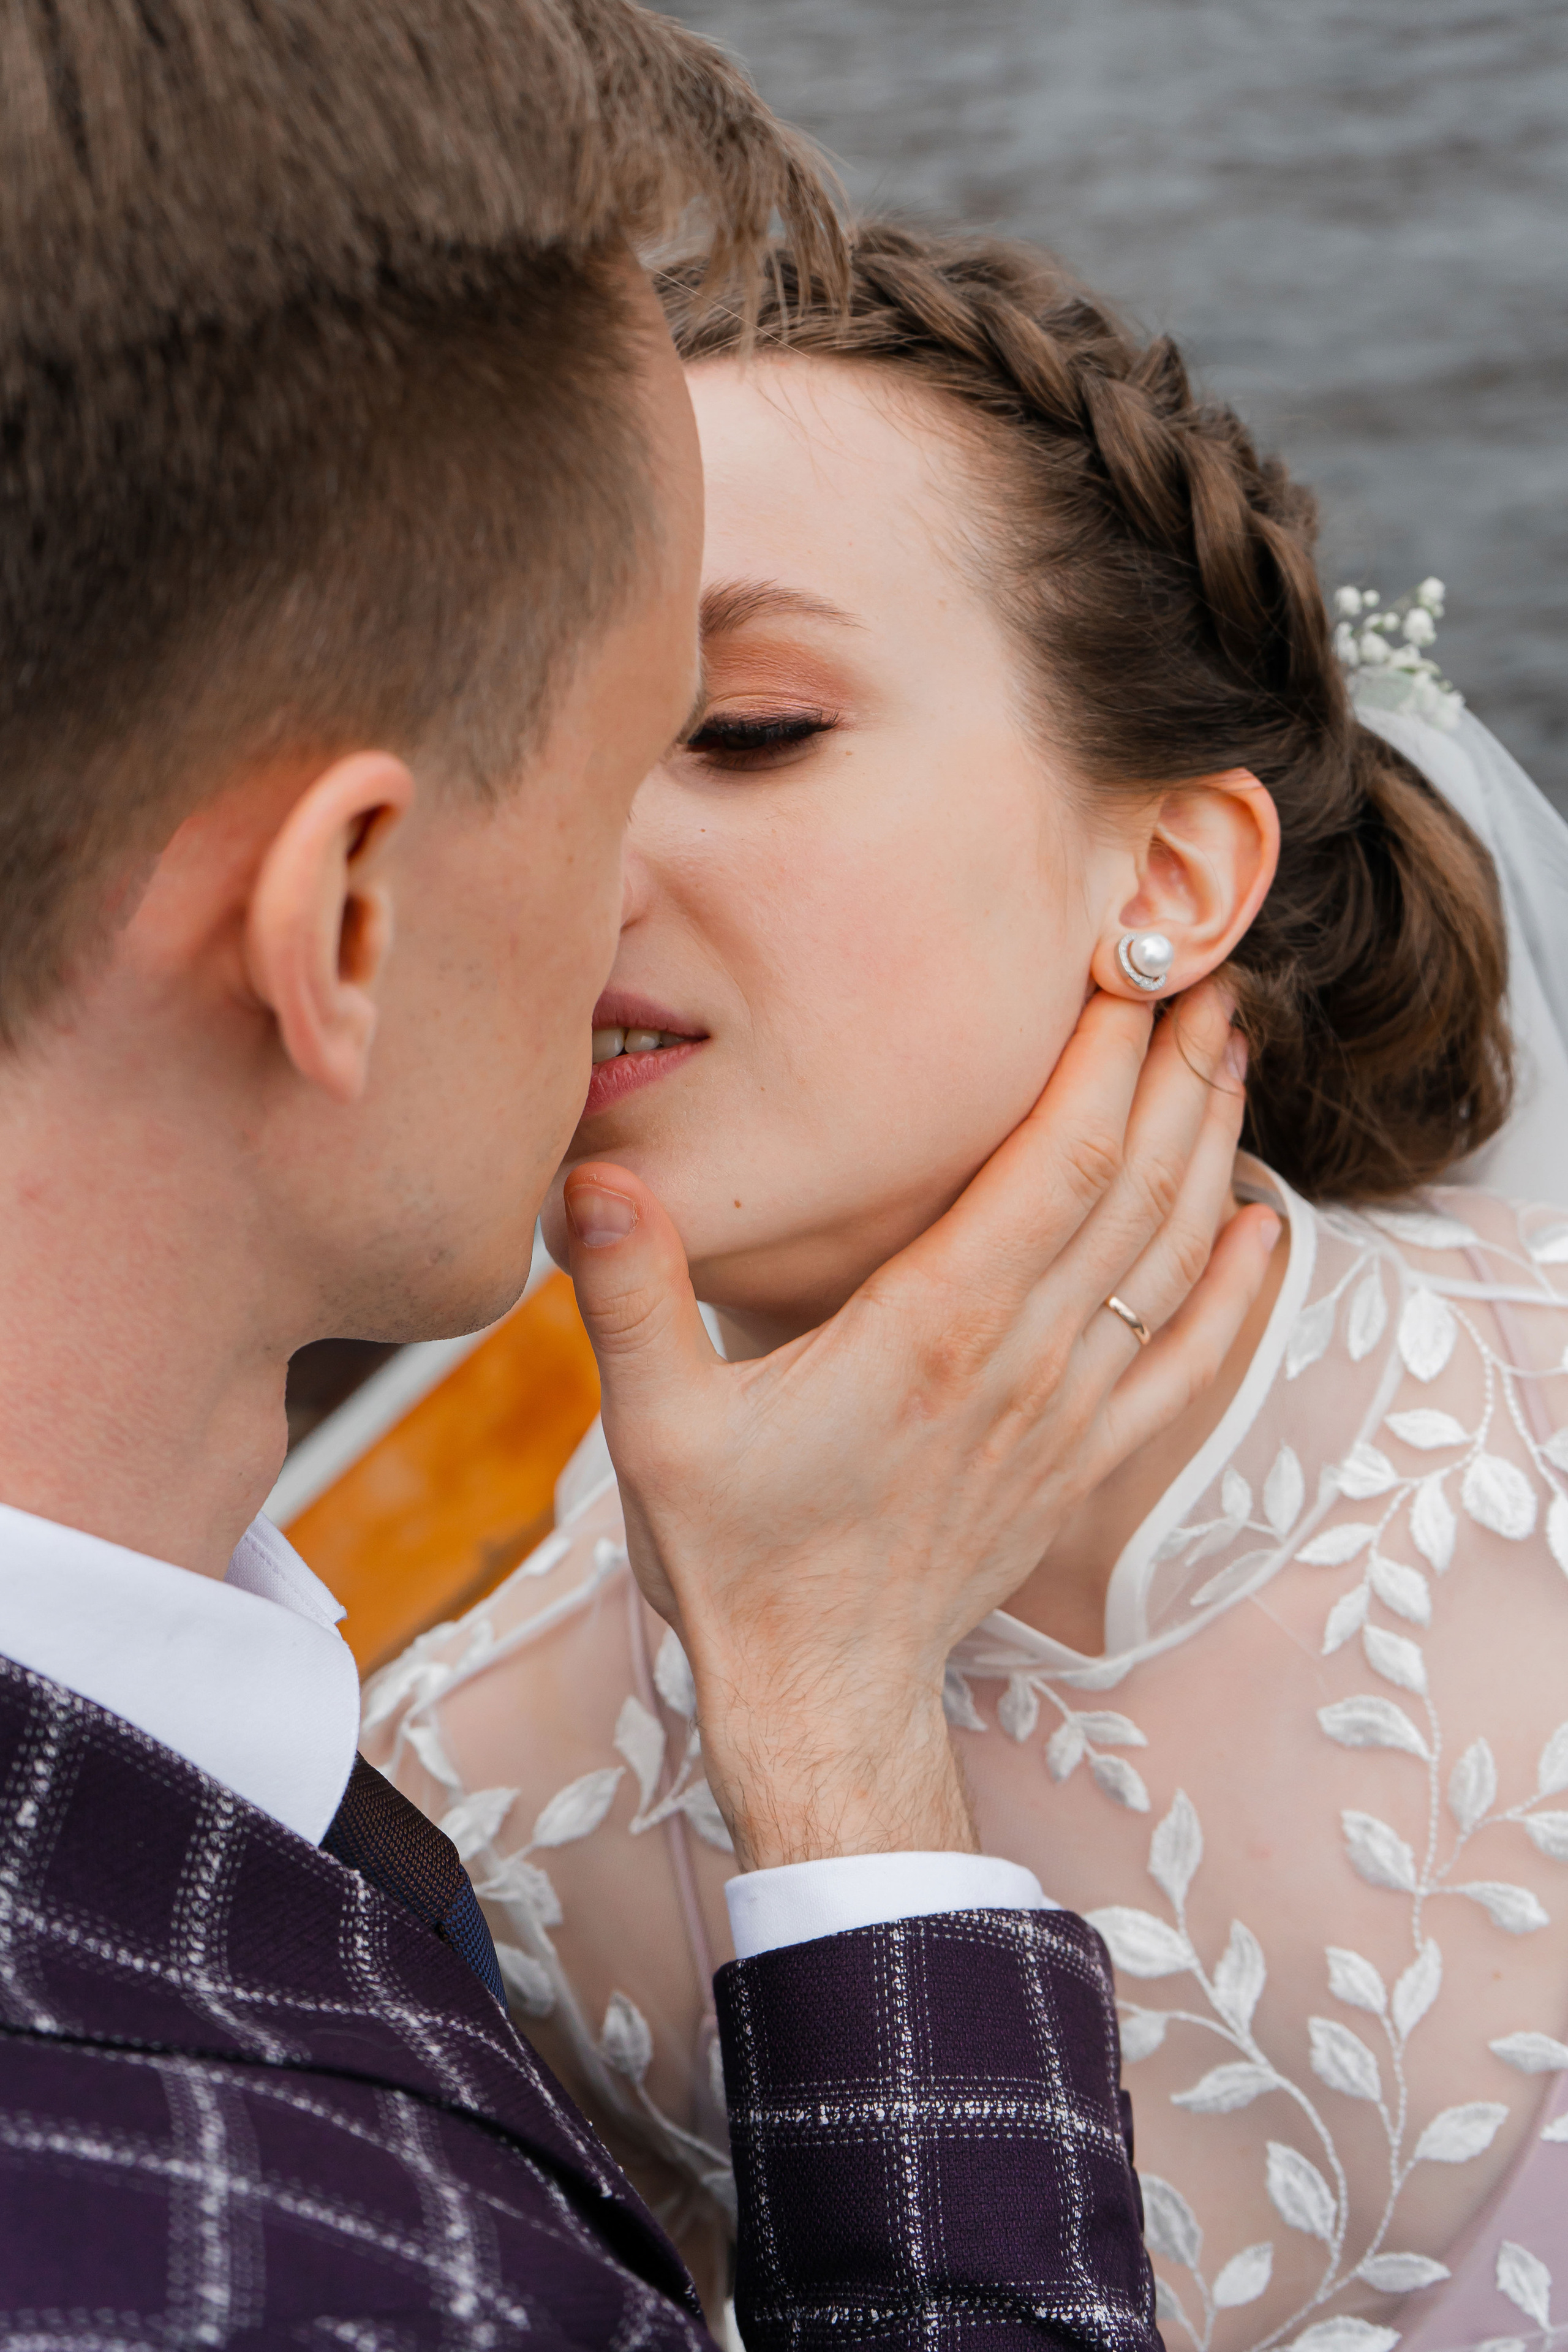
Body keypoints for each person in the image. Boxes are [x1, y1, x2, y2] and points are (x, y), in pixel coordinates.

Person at [0, 15, 1284, 2345]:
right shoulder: (257, 2265)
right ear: (346, 921)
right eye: (619, 767)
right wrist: (839, 1755)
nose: (632, 899)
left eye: (758, 735)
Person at [367, 227, 1568, 2342]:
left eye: (740, 728)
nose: (565, 866)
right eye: (517, 754)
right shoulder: (466, 1828)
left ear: (1172, 878)